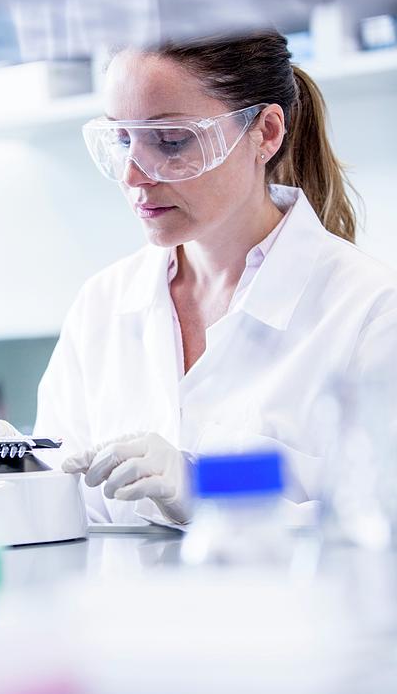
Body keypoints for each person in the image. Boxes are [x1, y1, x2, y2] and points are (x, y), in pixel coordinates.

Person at [32, 30, 397, 527]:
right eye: (121, 139)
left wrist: (203, 487)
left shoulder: (369, 311)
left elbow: (378, 522)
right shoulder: (102, 305)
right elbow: (60, 509)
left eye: (171, 140)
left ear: (266, 132)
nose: (134, 176)